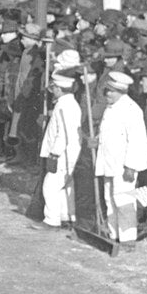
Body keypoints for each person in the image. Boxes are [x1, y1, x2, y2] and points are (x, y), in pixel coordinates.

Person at [94, 69, 147, 243]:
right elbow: (108, 133)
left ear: (122, 91)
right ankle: (114, 235)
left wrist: (131, 167)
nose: (108, 94)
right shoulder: (110, 107)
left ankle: (127, 239)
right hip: (108, 162)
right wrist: (95, 141)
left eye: (111, 91)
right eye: (107, 90)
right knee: (109, 198)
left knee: (124, 201)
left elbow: (137, 141)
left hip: (123, 166)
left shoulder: (131, 110)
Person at [38, 71, 82, 229]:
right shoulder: (68, 104)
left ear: (59, 88)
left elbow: (63, 133)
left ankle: (52, 220)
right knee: (65, 185)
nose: (53, 90)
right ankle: (67, 216)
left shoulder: (64, 106)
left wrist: (54, 154)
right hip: (69, 152)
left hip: (63, 153)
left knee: (50, 185)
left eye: (54, 87)